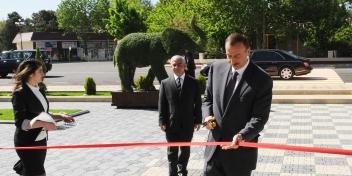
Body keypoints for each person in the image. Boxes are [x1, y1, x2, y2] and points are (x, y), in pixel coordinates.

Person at [202, 33, 273, 176]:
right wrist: (207, 116)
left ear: (248, 51)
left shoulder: (262, 79)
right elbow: (207, 99)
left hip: (240, 156)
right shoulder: (216, 68)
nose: (232, 61)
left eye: (237, 56)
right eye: (228, 55)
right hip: (213, 152)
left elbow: (259, 117)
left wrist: (242, 135)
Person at [12, 59, 74, 176]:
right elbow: (20, 122)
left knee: (33, 171)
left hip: (41, 139)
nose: (43, 74)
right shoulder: (19, 94)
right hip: (27, 142)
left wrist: (60, 116)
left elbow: (42, 114)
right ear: (30, 73)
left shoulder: (39, 90)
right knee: (38, 173)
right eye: (40, 71)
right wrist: (44, 124)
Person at [159, 55, 202, 176]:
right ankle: (172, 172)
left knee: (185, 150)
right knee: (172, 151)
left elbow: (198, 103)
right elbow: (162, 104)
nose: (176, 67)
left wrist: (198, 120)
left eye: (179, 64)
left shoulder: (193, 83)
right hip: (171, 124)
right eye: (173, 64)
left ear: (184, 66)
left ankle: (182, 170)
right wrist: (161, 121)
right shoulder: (165, 83)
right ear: (170, 66)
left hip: (188, 124)